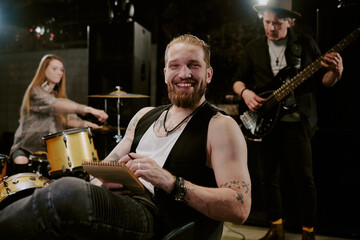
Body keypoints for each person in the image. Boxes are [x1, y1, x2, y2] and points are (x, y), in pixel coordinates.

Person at [0, 34, 251, 239]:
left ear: (208, 74)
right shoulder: (144, 115)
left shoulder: (221, 125)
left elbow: (240, 206)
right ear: (165, 73)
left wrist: (170, 181)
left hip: (153, 216)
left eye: (193, 65)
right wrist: (101, 180)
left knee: (66, 192)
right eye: (175, 65)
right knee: (55, 192)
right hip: (119, 203)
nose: (183, 73)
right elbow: (102, 168)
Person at [232, 1, 343, 240]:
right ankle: (276, 229)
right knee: (267, 179)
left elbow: (322, 82)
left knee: (304, 180)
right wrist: (246, 93)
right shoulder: (253, 48)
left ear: (290, 22)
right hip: (265, 123)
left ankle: (308, 233)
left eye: (277, 23)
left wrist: (335, 73)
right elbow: (238, 81)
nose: (271, 28)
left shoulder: (304, 46)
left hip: (296, 123)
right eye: (267, 22)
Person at [8, 54, 108, 175]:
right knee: (21, 161)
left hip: (50, 150)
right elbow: (55, 105)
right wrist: (90, 109)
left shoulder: (59, 97)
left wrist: (88, 125)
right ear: (44, 71)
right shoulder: (36, 91)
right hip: (27, 148)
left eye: (61, 70)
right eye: (54, 69)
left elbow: (69, 120)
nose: (59, 73)